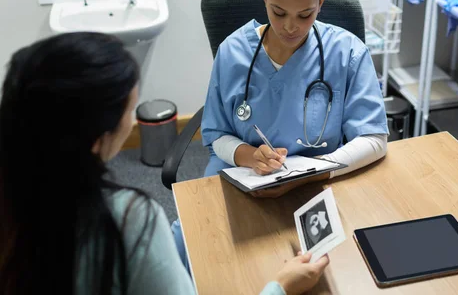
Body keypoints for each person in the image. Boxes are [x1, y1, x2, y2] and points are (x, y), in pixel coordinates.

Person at [0, 33, 329, 295]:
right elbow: (216, 132)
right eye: (130, 110)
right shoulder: (129, 219)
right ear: (98, 136)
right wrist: (281, 286)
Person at [172, 0, 388, 264]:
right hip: (242, 181)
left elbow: (374, 139)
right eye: (278, 12)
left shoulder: (347, 53)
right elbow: (216, 134)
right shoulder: (233, 52)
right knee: (197, 251)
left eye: (305, 15)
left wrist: (311, 173)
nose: (290, 27)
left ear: (321, 3)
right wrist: (249, 155)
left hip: (317, 187)